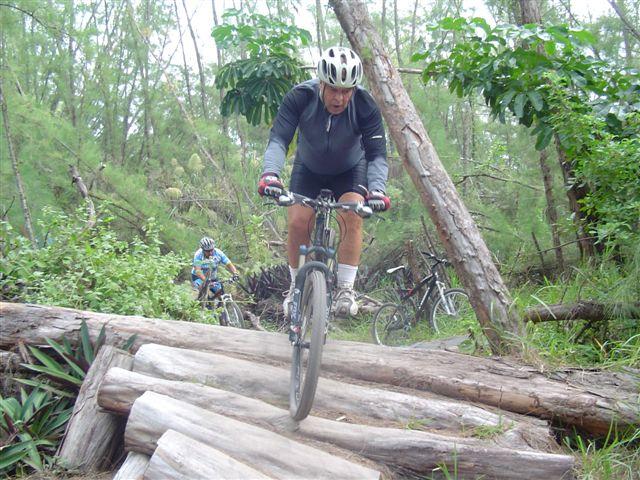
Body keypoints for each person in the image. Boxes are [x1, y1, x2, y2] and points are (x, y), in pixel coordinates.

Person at [257, 46, 390, 318]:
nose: (340, 98)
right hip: (309, 168)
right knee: (296, 221)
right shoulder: (300, 96)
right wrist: (270, 173)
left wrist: (377, 190)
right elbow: (279, 140)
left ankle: (344, 289)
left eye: (346, 90)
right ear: (321, 82)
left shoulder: (365, 105)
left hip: (350, 170)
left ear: (354, 89)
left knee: (351, 215)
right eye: (333, 89)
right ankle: (296, 287)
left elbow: (377, 155)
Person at [192, 236, 239, 306]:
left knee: (220, 294)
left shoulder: (218, 253)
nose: (210, 252)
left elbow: (229, 264)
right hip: (199, 277)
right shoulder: (198, 255)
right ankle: (200, 306)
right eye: (208, 251)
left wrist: (235, 273)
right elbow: (198, 271)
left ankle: (221, 312)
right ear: (203, 250)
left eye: (212, 250)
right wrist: (206, 281)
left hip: (212, 277)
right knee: (202, 293)